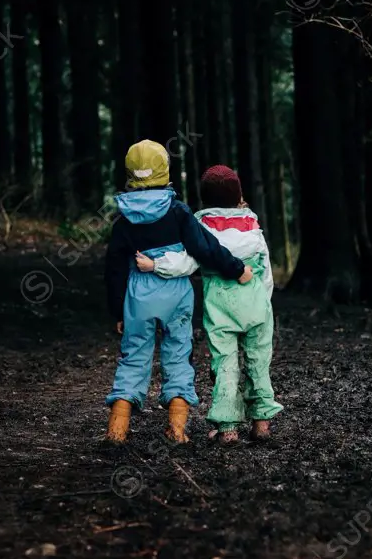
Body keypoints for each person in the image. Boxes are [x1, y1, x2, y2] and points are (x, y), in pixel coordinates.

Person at [104, 142, 253, 445]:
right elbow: (205, 248)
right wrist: (235, 268)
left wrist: (118, 310)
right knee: (177, 356)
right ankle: (177, 429)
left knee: (133, 358)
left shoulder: (123, 219)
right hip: (176, 295)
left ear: (130, 175)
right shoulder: (179, 211)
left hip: (138, 296)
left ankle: (117, 431)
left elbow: (114, 268)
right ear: (166, 172)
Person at [135, 165, 283, 444]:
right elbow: (265, 269)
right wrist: (265, 301)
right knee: (258, 362)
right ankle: (262, 424)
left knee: (225, 364)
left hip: (221, 308)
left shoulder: (200, 225)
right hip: (256, 304)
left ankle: (228, 429)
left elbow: (187, 262)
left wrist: (155, 264)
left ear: (205, 198)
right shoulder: (251, 223)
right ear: (238, 194)